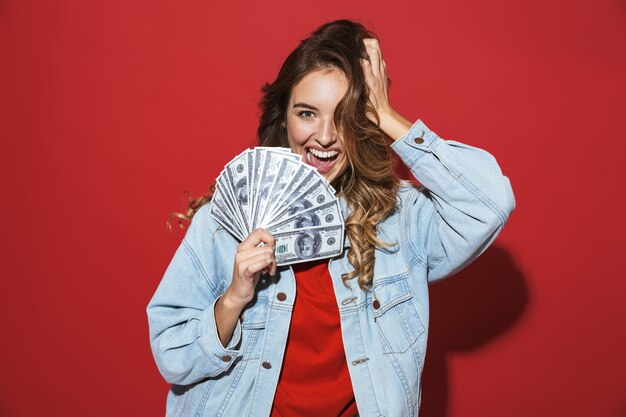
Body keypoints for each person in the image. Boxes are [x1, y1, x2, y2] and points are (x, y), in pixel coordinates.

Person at [147, 19, 515, 417]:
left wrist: (387, 115)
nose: (324, 137)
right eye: (307, 113)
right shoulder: (226, 221)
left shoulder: (398, 219)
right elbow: (173, 355)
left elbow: (490, 203)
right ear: (283, 117)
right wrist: (234, 299)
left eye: (344, 116)